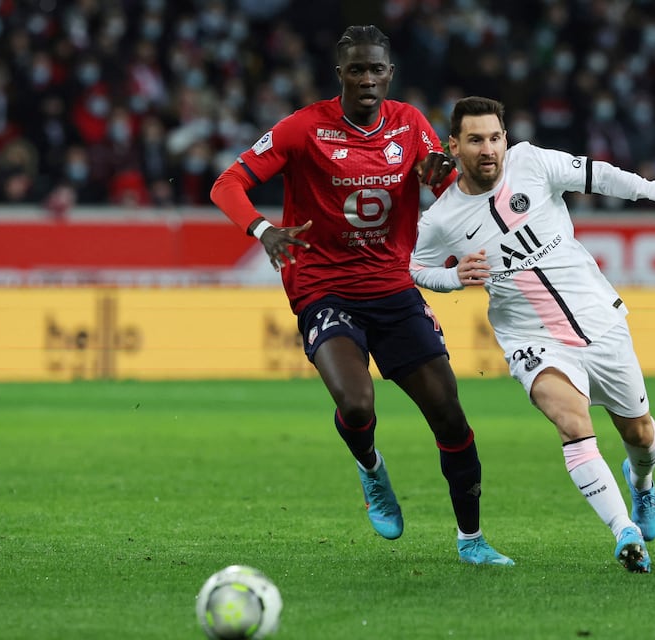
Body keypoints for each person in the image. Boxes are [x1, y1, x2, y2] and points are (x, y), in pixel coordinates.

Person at [210, 26, 513, 565]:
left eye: (376, 69)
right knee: (355, 401)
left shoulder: (412, 123)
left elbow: (450, 192)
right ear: (341, 75)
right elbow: (227, 183)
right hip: (323, 289)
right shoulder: (302, 128)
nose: (367, 79)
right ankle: (371, 468)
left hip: (394, 287)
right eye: (357, 69)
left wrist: (442, 177)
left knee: (449, 416)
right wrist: (262, 229)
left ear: (389, 74)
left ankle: (472, 540)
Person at [410, 96, 655, 573]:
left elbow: (596, 175)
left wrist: (650, 188)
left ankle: (642, 485)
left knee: (640, 435)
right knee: (573, 424)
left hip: (599, 322)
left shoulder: (533, 162)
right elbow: (414, 266)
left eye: (495, 137)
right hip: (530, 338)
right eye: (475, 140)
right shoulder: (441, 218)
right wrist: (454, 279)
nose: (488, 149)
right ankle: (624, 531)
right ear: (453, 145)